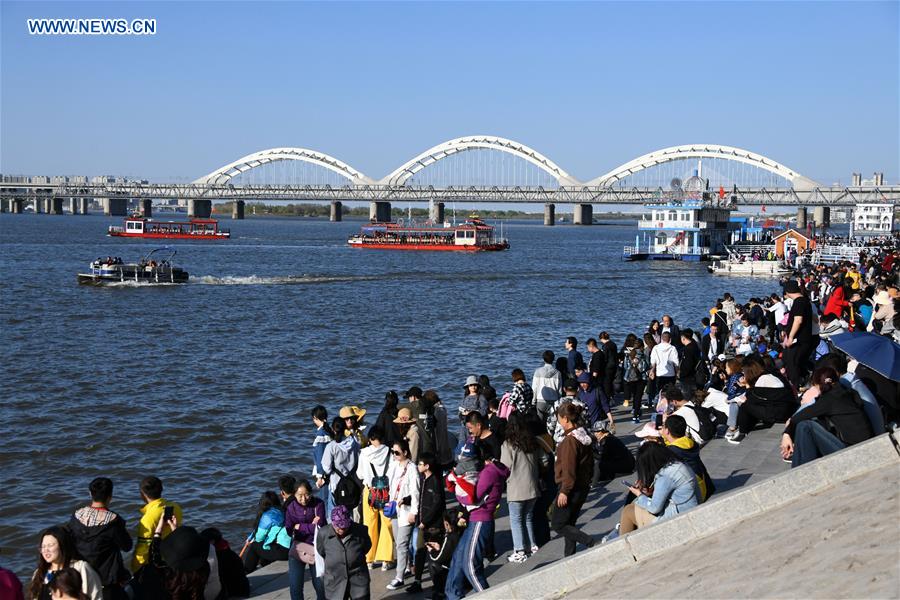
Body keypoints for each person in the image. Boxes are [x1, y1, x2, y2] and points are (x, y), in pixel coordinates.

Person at [444, 456, 509, 600]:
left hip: (480, 520)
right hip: (475, 520)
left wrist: (458, 490)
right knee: (459, 557)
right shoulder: (486, 471)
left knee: (470, 566)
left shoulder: (488, 472)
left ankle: (487, 596)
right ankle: (452, 595)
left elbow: (472, 497)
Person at [781, 367, 874, 467]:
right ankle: (797, 469)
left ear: (818, 385)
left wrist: (786, 434)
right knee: (809, 425)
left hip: (853, 454)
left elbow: (797, 418)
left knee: (806, 426)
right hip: (862, 449)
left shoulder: (830, 399)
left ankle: (803, 471)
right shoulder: (845, 392)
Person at [67, 477, 132, 600]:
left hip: (82, 576)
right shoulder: (113, 521)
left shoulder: (76, 516)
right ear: (110, 496)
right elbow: (127, 546)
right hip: (107, 580)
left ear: (90, 494)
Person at [618, 442, 700, 534]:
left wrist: (639, 494)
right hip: (689, 509)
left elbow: (654, 508)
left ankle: (622, 544)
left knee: (628, 511)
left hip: (679, 518)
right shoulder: (678, 464)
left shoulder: (665, 477)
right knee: (635, 505)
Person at [551, 402, 595, 557]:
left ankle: (590, 541)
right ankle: (569, 555)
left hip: (570, 487)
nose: (559, 422)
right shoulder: (583, 434)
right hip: (582, 485)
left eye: (559, 419)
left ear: (565, 419)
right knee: (569, 523)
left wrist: (564, 491)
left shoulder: (570, 441)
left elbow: (569, 468)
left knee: (558, 524)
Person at [500, 412, 542, 563]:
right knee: (528, 517)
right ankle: (532, 545)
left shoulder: (508, 444)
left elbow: (505, 467)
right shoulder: (532, 442)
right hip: (532, 486)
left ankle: (519, 550)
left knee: (516, 520)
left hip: (517, 488)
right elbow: (542, 460)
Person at [729, 359, 798, 445]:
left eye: (744, 372)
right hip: (789, 408)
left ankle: (742, 433)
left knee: (745, 405)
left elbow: (750, 399)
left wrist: (747, 385)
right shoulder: (771, 375)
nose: (743, 374)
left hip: (780, 414)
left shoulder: (762, 380)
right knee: (753, 405)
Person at [355, 425, 394, 571]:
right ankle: (385, 559)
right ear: (382, 438)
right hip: (386, 493)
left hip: (370, 492)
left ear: (371, 438)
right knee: (387, 524)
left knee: (369, 524)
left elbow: (359, 474)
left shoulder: (364, 453)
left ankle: (369, 559)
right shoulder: (390, 453)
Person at [407, 452, 446, 594]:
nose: (418, 466)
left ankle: (439, 589)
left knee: (433, 558)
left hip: (433, 527)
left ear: (427, 466)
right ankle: (417, 582)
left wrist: (424, 521)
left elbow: (437, 504)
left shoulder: (435, 481)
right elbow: (422, 499)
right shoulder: (424, 479)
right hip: (423, 525)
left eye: (421, 464)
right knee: (419, 553)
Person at [29, 526, 102, 600]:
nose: (46, 550)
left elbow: (95, 596)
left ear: (62, 545)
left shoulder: (80, 567)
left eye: (50, 545)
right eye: (43, 547)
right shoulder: (39, 573)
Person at [315, 506, 371, 600]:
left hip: (358, 581)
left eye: (344, 527)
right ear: (332, 523)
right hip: (334, 582)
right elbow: (321, 551)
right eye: (338, 527)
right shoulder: (323, 533)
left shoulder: (361, 530)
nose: (341, 530)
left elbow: (366, 547)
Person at [386, 439, 420, 591]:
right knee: (398, 541)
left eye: (397, 452)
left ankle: (399, 577)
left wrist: (414, 511)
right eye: (393, 452)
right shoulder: (393, 465)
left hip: (406, 512)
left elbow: (415, 492)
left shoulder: (412, 469)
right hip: (394, 510)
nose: (394, 455)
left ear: (405, 452)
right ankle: (406, 566)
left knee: (401, 544)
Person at [284, 480, 326, 600]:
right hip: (298, 548)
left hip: (316, 548)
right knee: (295, 586)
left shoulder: (319, 504)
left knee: (320, 585)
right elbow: (288, 529)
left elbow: (320, 526)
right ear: (294, 495)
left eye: (307, 494)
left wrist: (300, 526)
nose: (304, 499)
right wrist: (310, 526)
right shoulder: (291, 508)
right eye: (300, 495)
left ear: (311, 493)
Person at [132, 476, 183, 573]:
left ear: (143, 494)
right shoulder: (176, 507)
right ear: (161, 489)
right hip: (172, 557)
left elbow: (144, 549)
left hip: (156, 564)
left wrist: (136, 568)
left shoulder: (148, 519)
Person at [660, 415, 713, 502]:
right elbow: (674, 443)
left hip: (693, 495)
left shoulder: (671, 452)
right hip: (703, 487)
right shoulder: (691, 443)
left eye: (663, 426)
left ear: (667, 431)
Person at [242, 491, 291, 573]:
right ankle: (265, 563)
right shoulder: (282, 510)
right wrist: (251, 537)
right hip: (291, 547)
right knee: (265, 542)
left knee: (255, 546)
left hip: (284, 551)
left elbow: (259, 537)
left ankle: (247, 571)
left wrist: (251, 540)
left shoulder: (268, 515)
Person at [322, 417, 361, 518]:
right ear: (345, 429)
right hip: (353, 483)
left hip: (336, 484)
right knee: (350, 513)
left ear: (333, 429)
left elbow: (327, 468)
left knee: (333, 514)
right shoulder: (354, 442)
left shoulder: (331, 446)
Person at [782, 279, 816, 389]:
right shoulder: (804, 301)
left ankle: (795, 388)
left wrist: (791, 336)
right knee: (796, 363)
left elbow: (798, 320)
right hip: (804, 339)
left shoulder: (799, 302)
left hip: (799, 340)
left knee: (793, 364)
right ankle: (802, 384)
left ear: (787, 292)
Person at [426, 509, 467, 600]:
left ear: (447, 524)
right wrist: (439, 548)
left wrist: (431, 551)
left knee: (433, 564)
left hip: (458, 573)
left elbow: (438, 558)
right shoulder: (463, 532)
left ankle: (440, 592)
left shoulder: (450, 537)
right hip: (465, 570)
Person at [198, 528, 250, 599]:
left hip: (234, 592)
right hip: (243, 588)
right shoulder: (226, 550)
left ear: (212, 542)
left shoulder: (217, 557)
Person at [311, 405, 335, 519]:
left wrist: (320, 476)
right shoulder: (329, 431)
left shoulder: (321, 434)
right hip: (331, 471)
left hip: (324, 474)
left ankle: (326, 524)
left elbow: (320, 456)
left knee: (324, 501)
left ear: (315, 418)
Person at [622, 339, 648, 423]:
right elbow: (644, 367)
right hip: (641, 378)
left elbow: (625, 366)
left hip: (630, 378)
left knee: (634, 396)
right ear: (641, 346)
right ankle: (635, 415)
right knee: (638, 397)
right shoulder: (642, 355)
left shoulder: (628, 354)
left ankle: (635, 410)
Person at [532, 350, 562, 424]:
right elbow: (560, 390)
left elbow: (534, 388)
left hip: (541, 400)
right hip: (553, 401)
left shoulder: (538, 371)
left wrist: (533, 401)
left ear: (543, 359)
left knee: (539, 423)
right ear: (553, 359)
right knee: (552, 423)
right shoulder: (558, 373)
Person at [649, 332, 679, 399]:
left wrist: (652, 371)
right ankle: (669, 407)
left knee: (660, 393)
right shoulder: (672, 348)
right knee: (670, 393)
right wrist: (677, 373)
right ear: (670, 339)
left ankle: (660, 407)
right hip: (671, 374)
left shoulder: (656, 348)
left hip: (659, 374)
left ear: (661, 339)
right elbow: (676, 363)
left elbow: (653, 361)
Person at [678, 330, 702, 398]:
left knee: (687, 397)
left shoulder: (687, 349)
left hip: (687, 378)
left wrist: (681, 374)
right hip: (694, 375)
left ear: (683, 338)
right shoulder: (694, 345)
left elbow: (688, 365)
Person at [598, 332, 618, 404]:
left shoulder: (605, 346)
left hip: (608, 366)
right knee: (611, 381)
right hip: (614, 365)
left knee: (607, 383)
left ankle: (608, 398)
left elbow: (605, 358)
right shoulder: (613, 344)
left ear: (601, 339)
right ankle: (612, 396)